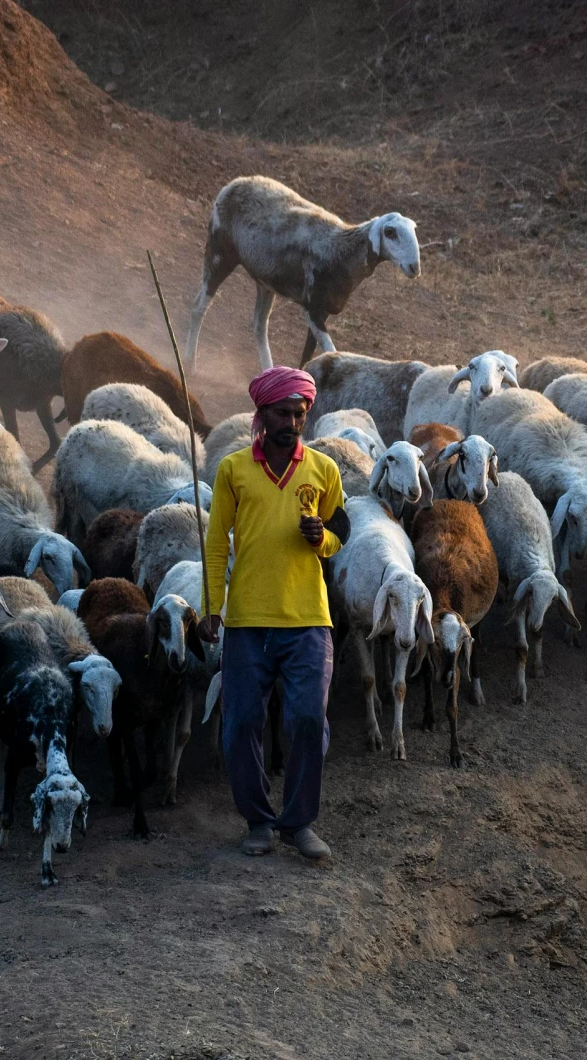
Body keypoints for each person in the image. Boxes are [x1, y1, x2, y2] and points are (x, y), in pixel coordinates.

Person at [200, 365, 351, 861]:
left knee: (308, 718)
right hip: (246, 620)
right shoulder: (234, 470)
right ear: (261, 414)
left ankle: (299, 823)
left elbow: (339, 531)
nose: (291, 421)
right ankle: (259, 821)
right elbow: (215, 544)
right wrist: (211, 609)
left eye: (299, 413)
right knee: (241, 721)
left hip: (309, 617)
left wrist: (321, 538)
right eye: (282, 413)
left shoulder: (324, 470)